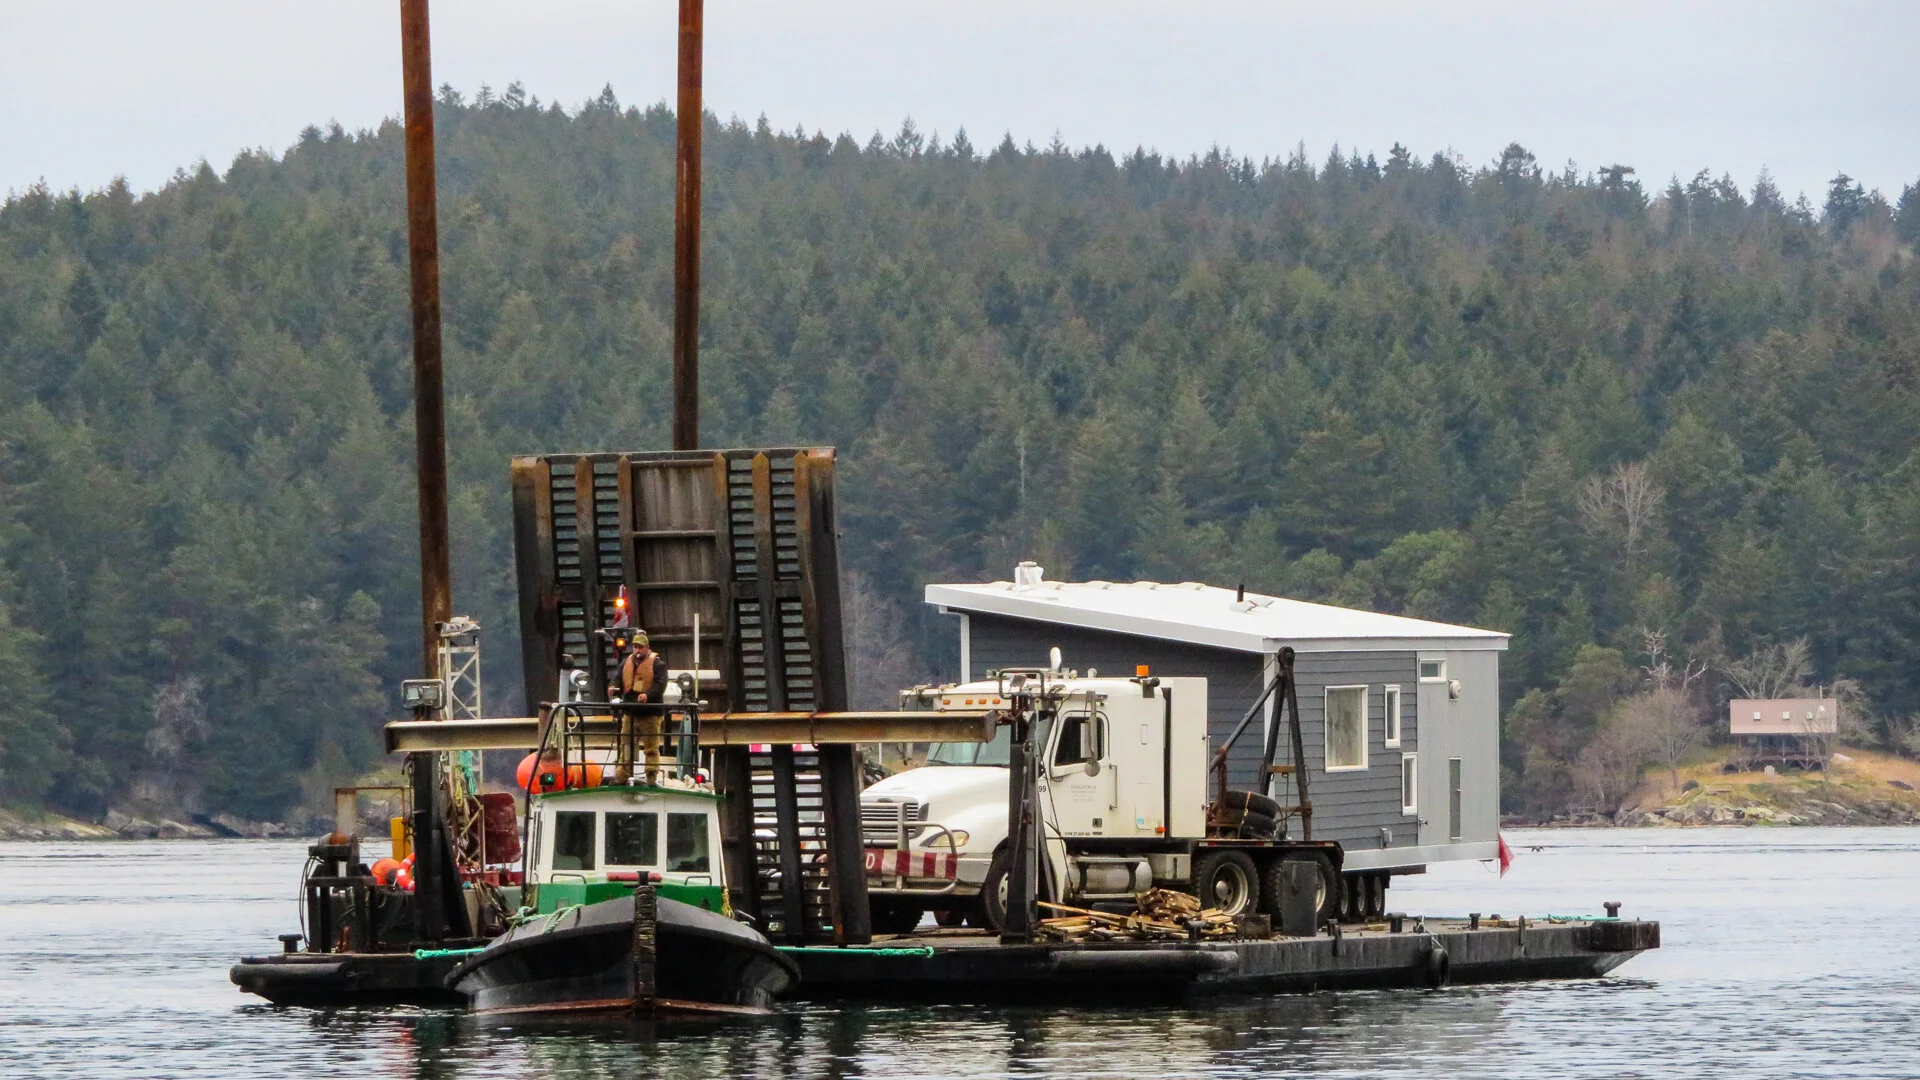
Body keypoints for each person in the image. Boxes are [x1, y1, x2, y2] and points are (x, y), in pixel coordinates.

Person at [612, 630, 667, 703]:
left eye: (641, 647)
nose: (637, 650)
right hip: (629, 709)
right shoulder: (624, 663)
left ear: (647, 648)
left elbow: (660, 685)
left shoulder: (658, 665)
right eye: (635, 647)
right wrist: (613, 686)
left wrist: (648, 695)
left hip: (651, 709)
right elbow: (617, 679)